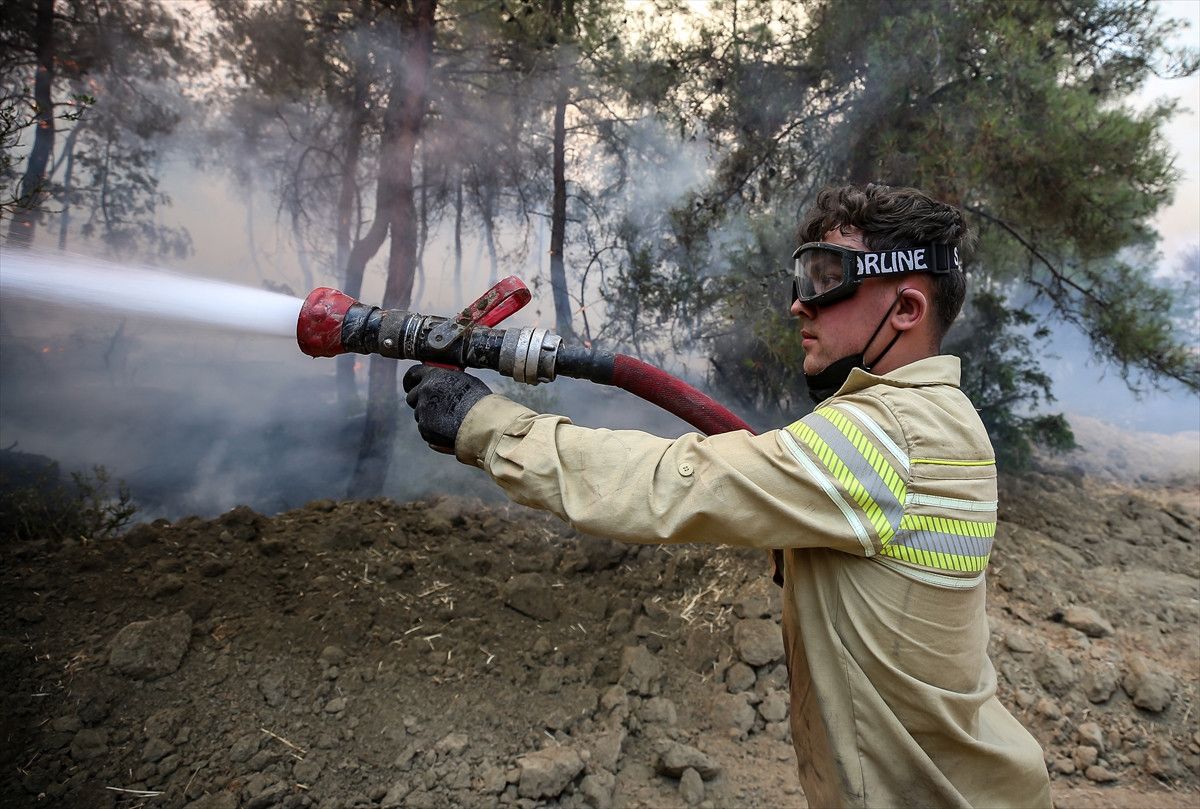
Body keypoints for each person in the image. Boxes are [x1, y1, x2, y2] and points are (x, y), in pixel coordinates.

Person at [402, 184, 1052, 809]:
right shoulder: (937, 419)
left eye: (827, 279)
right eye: (804, 279)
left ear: (907, 309)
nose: (800, 305)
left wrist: (486, 424)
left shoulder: (889, 436)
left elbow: (672, 483)